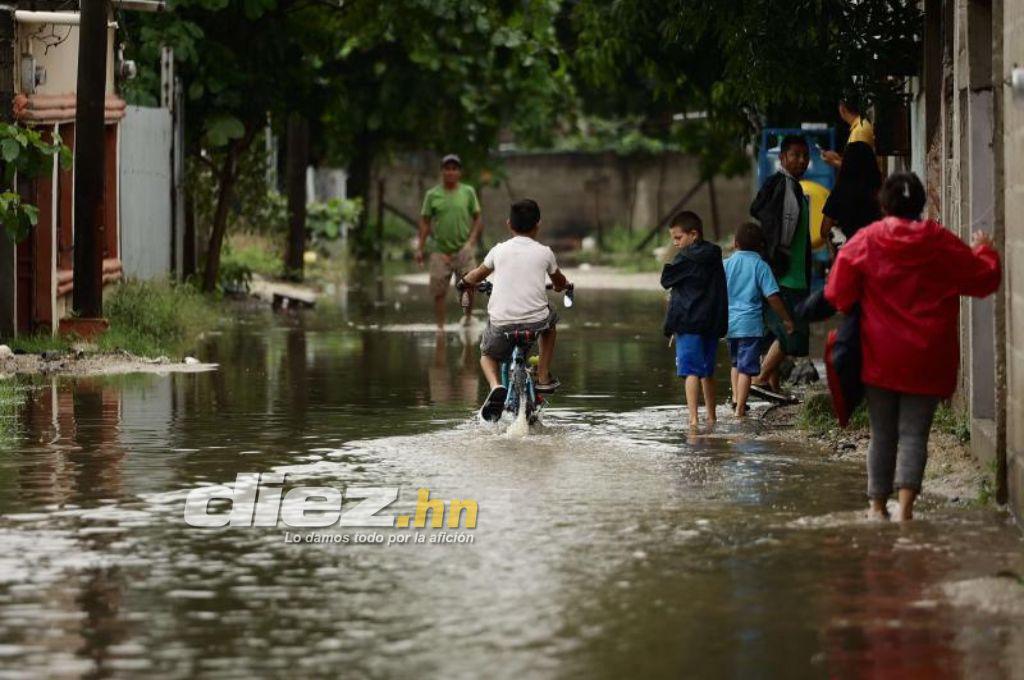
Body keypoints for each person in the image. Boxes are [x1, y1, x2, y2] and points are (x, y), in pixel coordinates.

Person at [825, 173, 1001, 521]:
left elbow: (837, 295)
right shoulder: (939, 240)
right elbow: (983, 280)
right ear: (921, 204)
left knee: (883, 434)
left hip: (879, 357)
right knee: (914, 435)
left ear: (883, 203)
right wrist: (986, 250)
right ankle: (905, 511)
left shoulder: (866, 241)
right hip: (927, 356)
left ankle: (877, 509)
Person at [458, 199, 571, 422]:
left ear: (509, 224)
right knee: (552, 319)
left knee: (487, 355)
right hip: (535, 322)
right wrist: (563, 286)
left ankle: (495, 386)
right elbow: (559, 281)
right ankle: (543, 375)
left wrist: (465, 282)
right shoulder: (545, 253)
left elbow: (477, 275)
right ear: (538, 224)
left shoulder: (498, 250)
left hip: (503, 324)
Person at [749, 134, 813, 398]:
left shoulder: (793, 187)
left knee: (778, 330)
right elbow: (764, 215)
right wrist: (776, 255)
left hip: (793, 272)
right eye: (795, 155)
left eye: (805, 156)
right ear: (783, 157)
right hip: (786, 274)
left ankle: (773, 386)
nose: (801, 160)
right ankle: (760, 379)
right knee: (792, 331)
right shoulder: (782, 185)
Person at [661, 211, 728, 430]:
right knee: (707, 372)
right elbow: (720, 291)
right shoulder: (715, 256)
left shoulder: (684, 259)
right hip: (710, 323)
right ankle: (711, 417)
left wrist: (671, 325)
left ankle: (693, 419)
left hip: (688, 324)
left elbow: (668, 284)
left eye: (678, 238)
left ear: (693, 234)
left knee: (690, 372)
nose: (675, 242)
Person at [724, 223, 795, 417]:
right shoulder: (760, 266)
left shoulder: (726, 264)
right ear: (760, 246)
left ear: (735, 243)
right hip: (750, 325)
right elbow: (772, 296)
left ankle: (736, 399)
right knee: (746, 368)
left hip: (729, 324)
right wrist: (786, 319)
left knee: (735, 364)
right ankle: (740, 410)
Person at [416, 154, 485, 329]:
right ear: (442, 171)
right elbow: (425, 222)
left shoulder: (468, 192)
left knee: (469, 286)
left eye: (454, 169)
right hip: (440, 250)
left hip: (464, 248)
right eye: (447, 168)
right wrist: (420, 248)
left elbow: (477, 218)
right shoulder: (432, 195)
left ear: (459, 172)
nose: (450, 172)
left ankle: (468, 319)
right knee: (439, 292)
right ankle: (440, 328)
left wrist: (470, 242)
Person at [821, 141, 883, 257]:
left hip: (849, 257)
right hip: (875, 255)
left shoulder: (840, 192)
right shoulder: (880, 191)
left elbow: (825, 230)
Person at [822, 96, 876, 169]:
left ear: (842, 109)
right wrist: (837, 158)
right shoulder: (861, 126)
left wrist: (833, 162)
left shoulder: (859, 131)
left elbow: (856, 169)